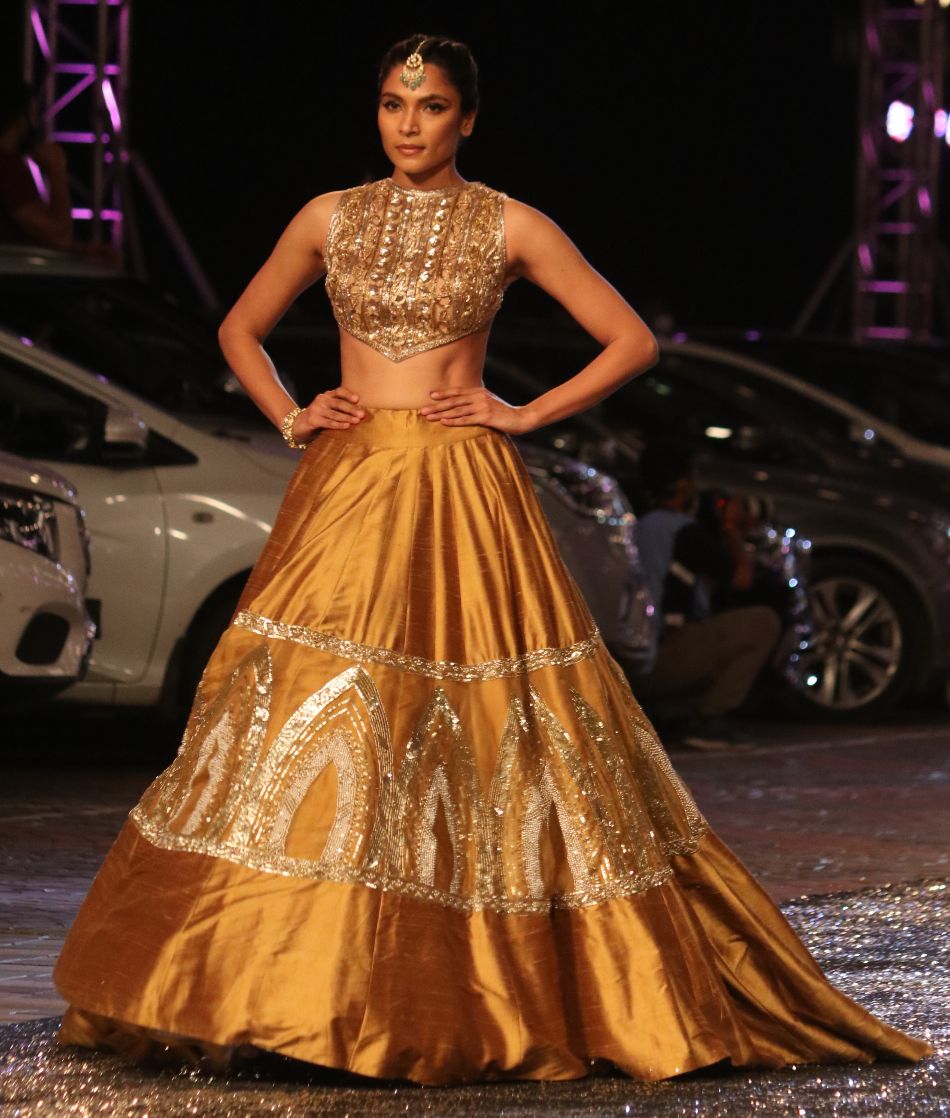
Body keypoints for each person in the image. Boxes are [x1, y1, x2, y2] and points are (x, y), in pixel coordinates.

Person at [50, 34, 931, 1086]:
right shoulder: (328, 216)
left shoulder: (511, 223)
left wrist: (522, 412)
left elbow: (630, 341)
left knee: (476, 723)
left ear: (466, 118)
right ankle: (277, 982)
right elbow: (240, 328)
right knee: (308, 713)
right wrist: (291, 413)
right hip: (347, 485)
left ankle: (447, 988)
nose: (407, 123)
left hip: (461, 488)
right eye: (392, 103)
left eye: (429, 106)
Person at [631, 438, 783, 750]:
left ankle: (671, 712)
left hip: (629, 659)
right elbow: (741, 578)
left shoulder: (634, 523)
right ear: (683, 483)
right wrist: (730, 529)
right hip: (657, 659)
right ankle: (707, 719)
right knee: (762, 622)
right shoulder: (681, 530)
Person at [0, 78, 74, 250]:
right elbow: (60, 237)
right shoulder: (7, 169)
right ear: (20, 121)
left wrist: (83, 250)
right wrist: (57, 170)